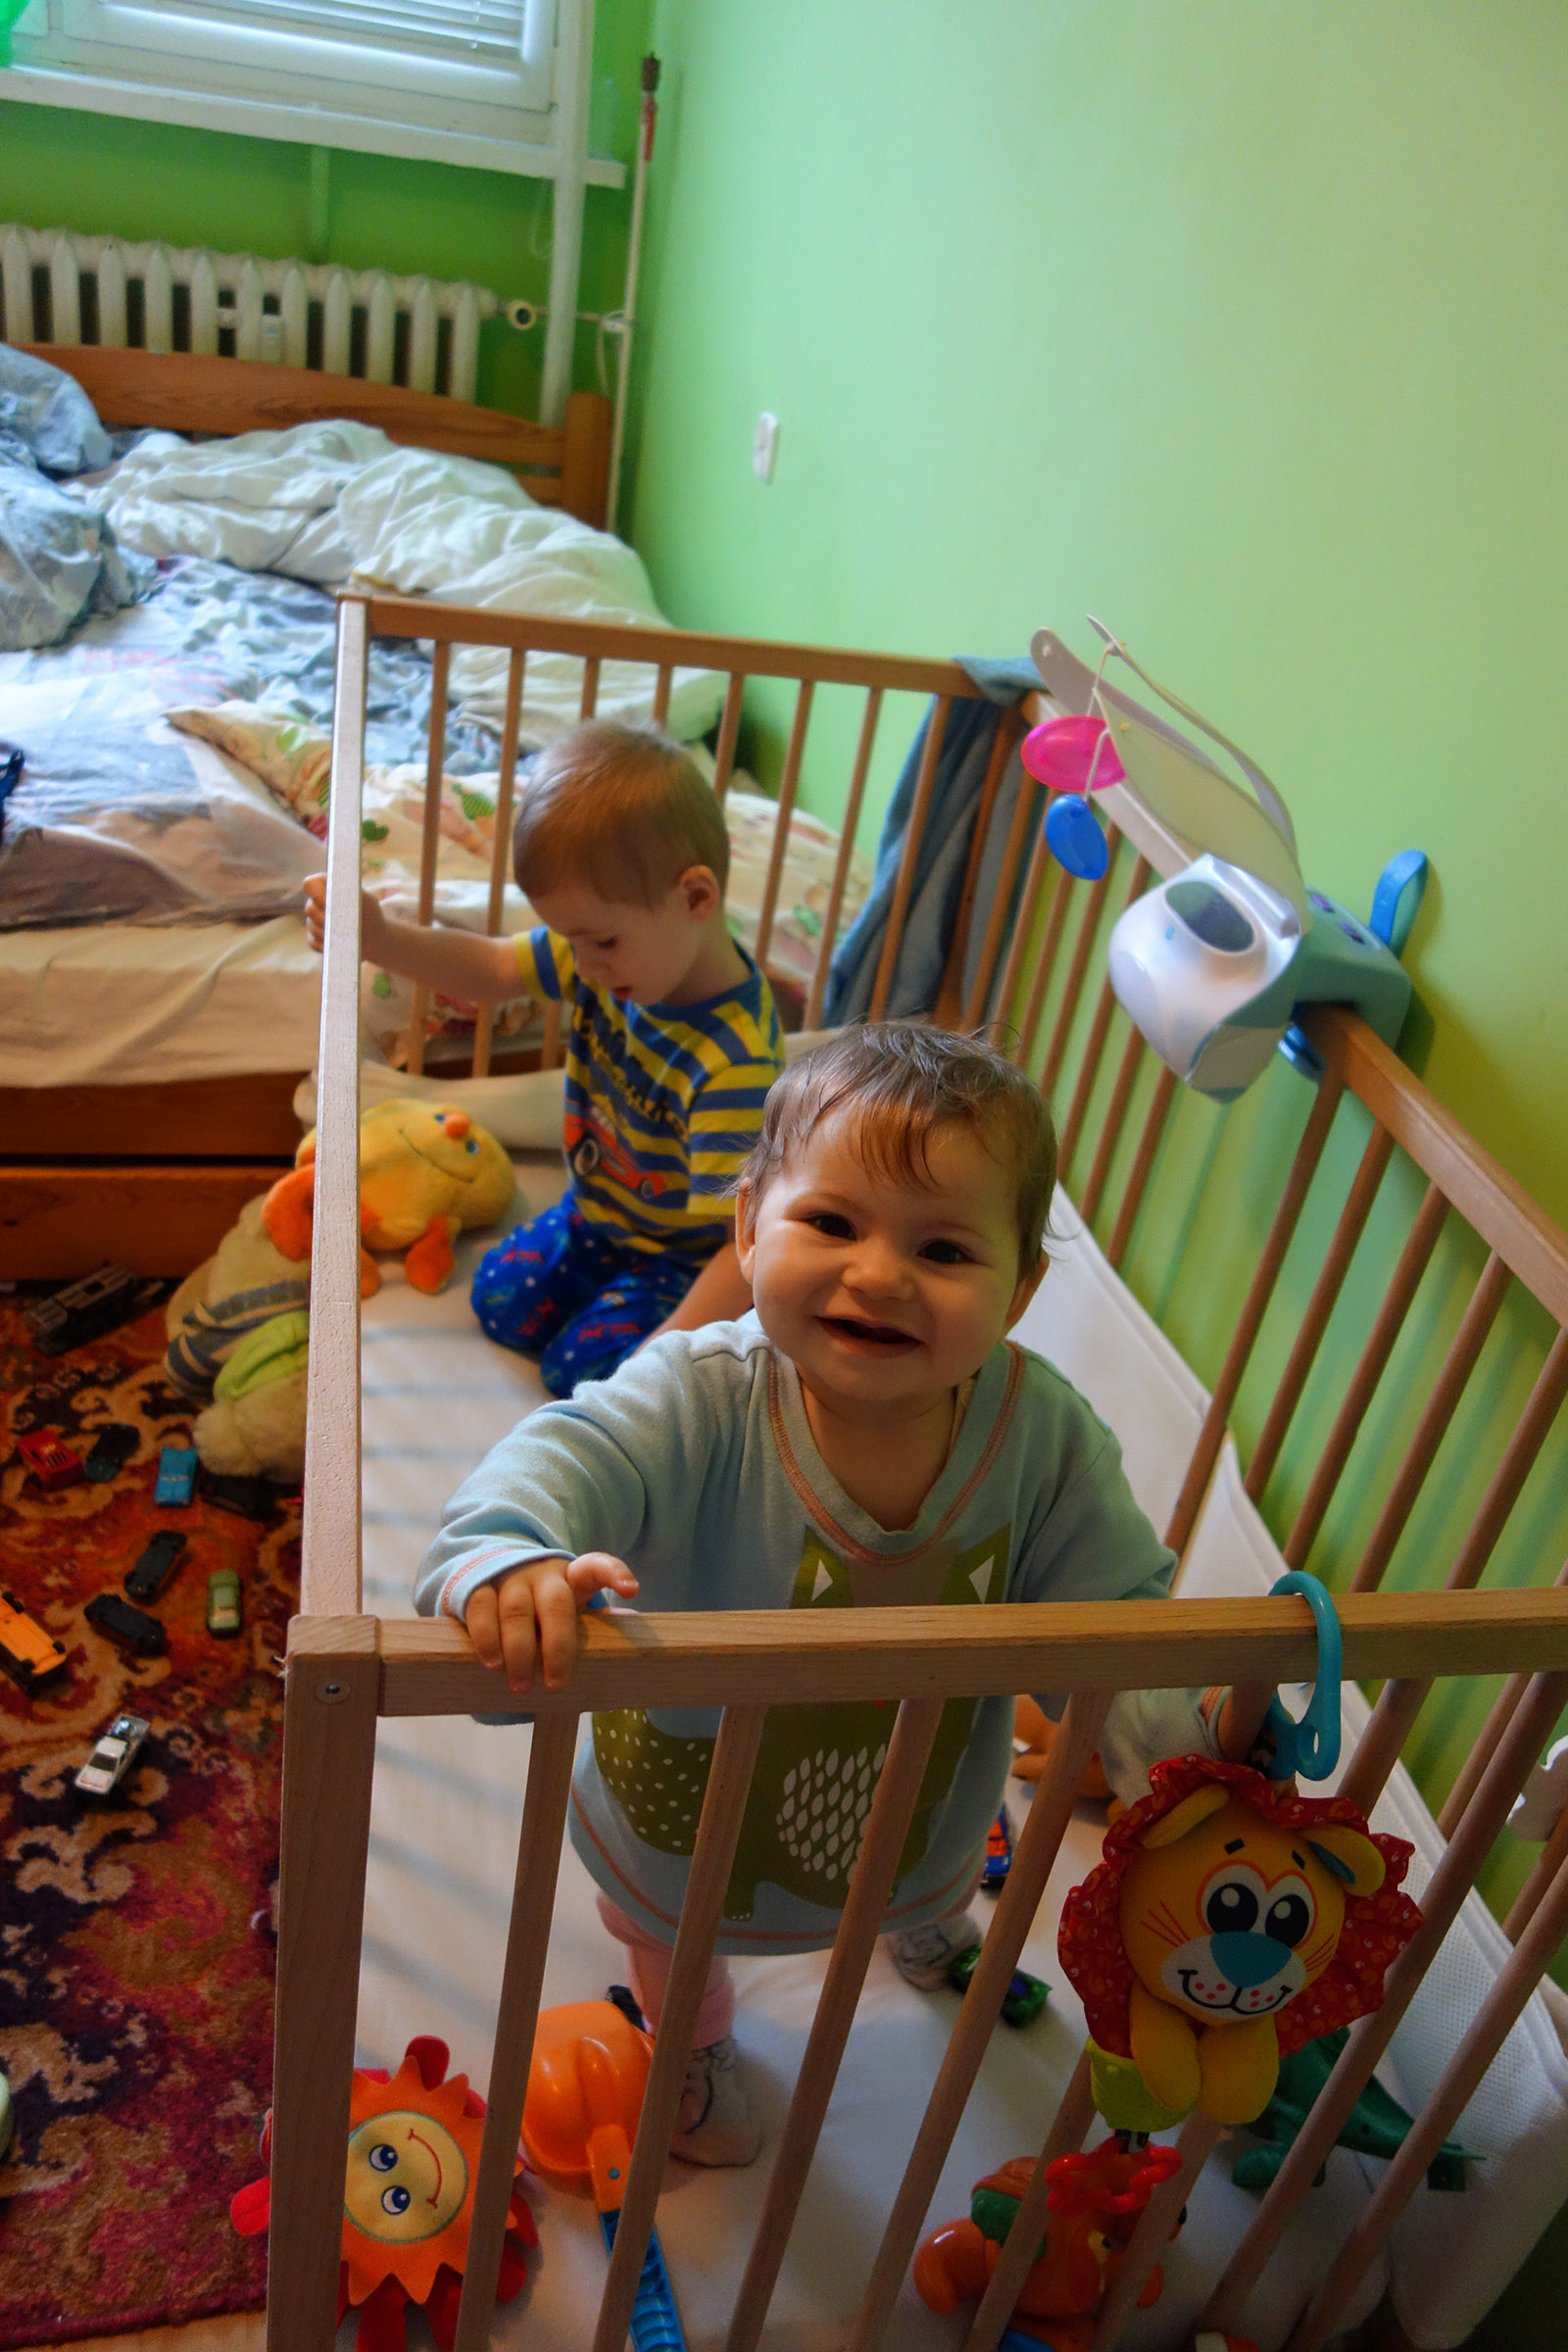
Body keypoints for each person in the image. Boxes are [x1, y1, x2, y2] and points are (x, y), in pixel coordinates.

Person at [414, 1023, 1274, 2165]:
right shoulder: (698, 1395)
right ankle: (694, 2045)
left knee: (925, 1863)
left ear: (1019, 1291)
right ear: (747, 1227)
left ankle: (924, 1928)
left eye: (944, 1249)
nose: (878, 1275)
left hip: (919, 1799)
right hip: (693, 1808)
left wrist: (1183, 1755)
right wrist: (509, 1553)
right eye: (830, 1223)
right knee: (673, 1933)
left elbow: (1116, 1617)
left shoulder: (1042, 1435)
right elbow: (565, 1453)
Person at [305, 719, 783, 1394]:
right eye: (570, 942)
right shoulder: (609, 955)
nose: (582, 966)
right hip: (598, 1214)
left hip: (682, 1260)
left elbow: (741, 1252)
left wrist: (662, 1353)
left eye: (601, 943)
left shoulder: (733, 1065)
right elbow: (493, 968)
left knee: (583, 1371)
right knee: (498, 1300)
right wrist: (381, 939)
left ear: (697, 898)